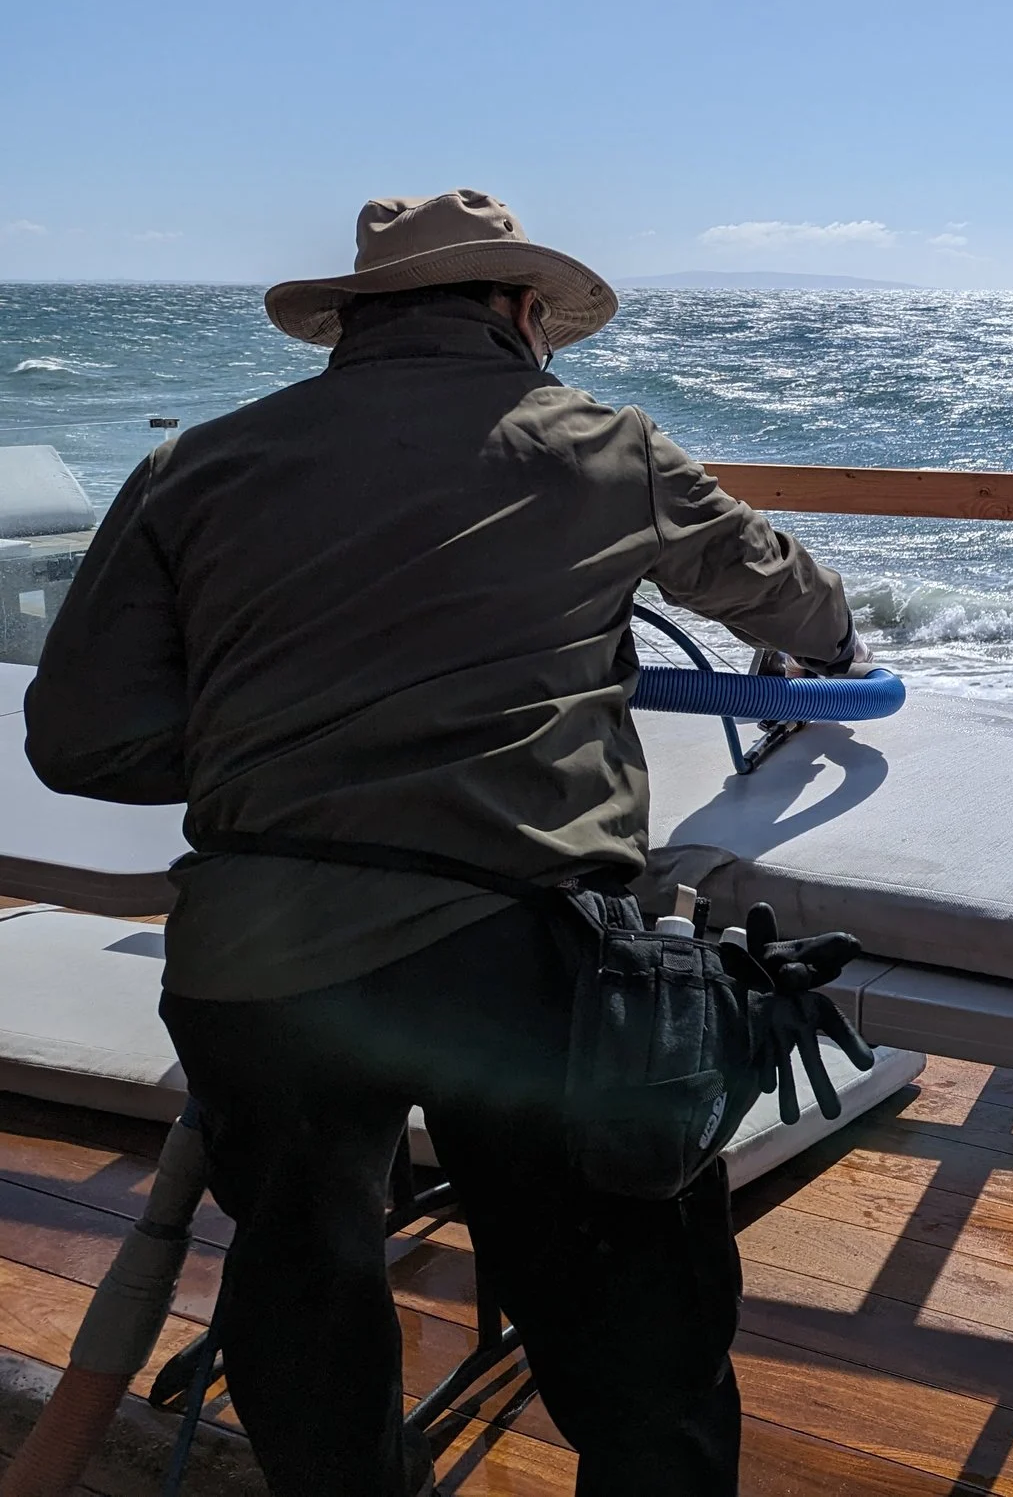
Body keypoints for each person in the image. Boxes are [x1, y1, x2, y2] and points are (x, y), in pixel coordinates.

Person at [25, 189, 866, 1497]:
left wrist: (295, 756)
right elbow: (789, 597)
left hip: (259, 953)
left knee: (306, 1287)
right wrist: (835, 648)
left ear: (349, 324)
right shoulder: (606, 446)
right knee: (643, 1342)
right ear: (522, 313)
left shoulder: (191, 463)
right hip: (523, 957)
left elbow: (78, 738)